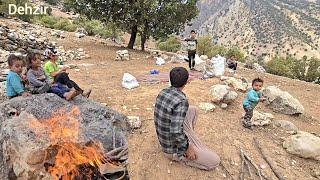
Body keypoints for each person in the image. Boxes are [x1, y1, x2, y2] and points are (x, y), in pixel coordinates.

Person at [154, 67, 220, 170]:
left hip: (166, 136)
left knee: (193, 110)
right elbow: (175, 131)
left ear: (170, 80)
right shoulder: (182, 100)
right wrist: (188, 147)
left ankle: (187, 137)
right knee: (215, 161)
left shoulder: (163, 91)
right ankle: (182, 154)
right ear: (186, 82)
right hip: (171, 149)